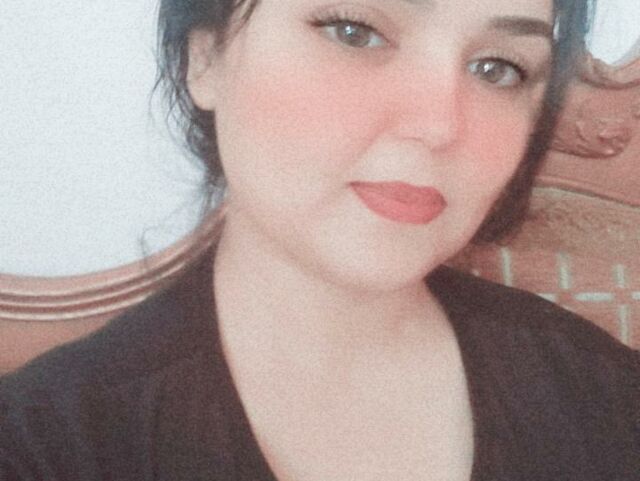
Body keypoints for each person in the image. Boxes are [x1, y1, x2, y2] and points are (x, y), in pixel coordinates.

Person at [1, 0, 638, 479]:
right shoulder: (46, 444)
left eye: (497, 69)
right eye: (354, 31)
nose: (439, 124)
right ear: (208, 58)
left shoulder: (602, 394)